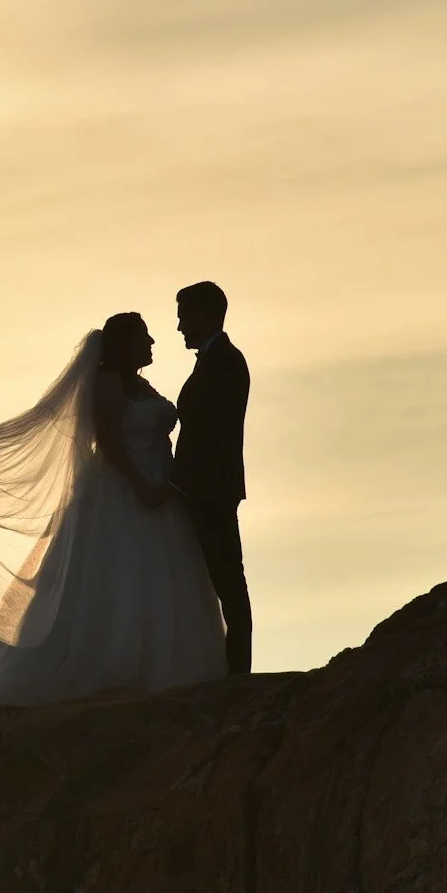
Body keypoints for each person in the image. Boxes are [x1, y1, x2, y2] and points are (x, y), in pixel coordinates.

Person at [0, 313, 228, 705]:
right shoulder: (109, 384)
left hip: (161, 487)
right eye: (144, 336)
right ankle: (110, 666)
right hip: (124, 489)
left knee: (161, 575)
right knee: (120, 572)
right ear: (126, 345)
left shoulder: (139, 384)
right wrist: (141, 486)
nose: (152, 342)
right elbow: (110, 443)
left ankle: (158, 665)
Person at [171, 280, 254, 678]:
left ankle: (238, 672)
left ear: (204, 315)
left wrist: (181, 481)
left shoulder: (226, 362)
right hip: (202, 488)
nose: (179, 327)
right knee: (217, 579)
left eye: (183, 317)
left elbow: (213, 434)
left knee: (227, 580)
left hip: (210, 490)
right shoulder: (212, 360)